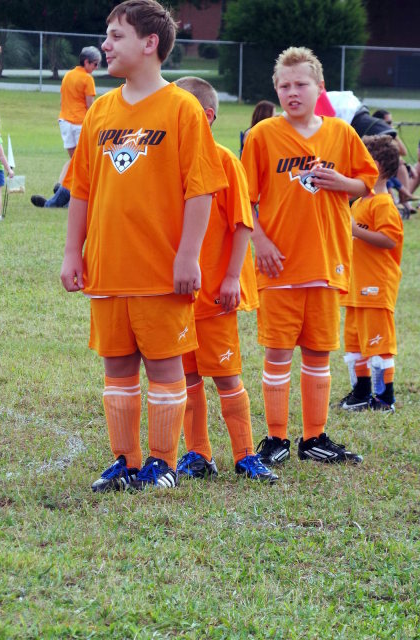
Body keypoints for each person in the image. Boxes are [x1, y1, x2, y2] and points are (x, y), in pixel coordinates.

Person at [60, 0, 228, 492]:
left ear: (150, 43)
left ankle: (162, 462)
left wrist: (188, 255)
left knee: (164, 364)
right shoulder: (101, 111)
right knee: (116, 365)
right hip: (108, 266)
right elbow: (82, 190)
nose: (105, 45)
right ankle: (125, 460)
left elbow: (201, 189)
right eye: (107, 35)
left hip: (161, 269)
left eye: (116, 36)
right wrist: (72, 252)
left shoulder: (182, 108)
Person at [241, 47, 378, 467]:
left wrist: (342, 182)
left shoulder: (341, 133)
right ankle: (276, 438)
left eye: (301, 84)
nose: (292, 92)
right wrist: (261, 241)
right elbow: (244, 200)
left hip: (326, 260)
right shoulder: (263, 135)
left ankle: (314, 437)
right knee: (278, 352)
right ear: (276, 90)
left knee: (318, 353)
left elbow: (366, 183)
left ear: (320, 88)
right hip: (278, 263)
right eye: (284, 85)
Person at [173, 77, 277, 484]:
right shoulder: (167, 164)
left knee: (226, 376)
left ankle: (245, 455)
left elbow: (242, 224)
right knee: (186, 378)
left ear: (207, 116)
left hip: (215, 295)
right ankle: (198, 454)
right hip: (176, 296)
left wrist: (232, 277)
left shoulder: (224, 161)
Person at [338, 135, 403, 413]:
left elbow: (389, 239)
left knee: (378, 342)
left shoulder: (383, 203)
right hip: (356, 286)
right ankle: (361, 392)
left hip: (376, 285)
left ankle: (384, 398)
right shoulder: (360, 202)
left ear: (375, 165)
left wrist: (355, 230)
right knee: (354, 342)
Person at [30, 45, 100, 209]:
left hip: (65, 121)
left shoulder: (68, 75)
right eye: (95, 64)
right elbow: (90, 106)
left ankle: (62, 189)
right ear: (86, 62)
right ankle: (64, 196)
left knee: (74, 161)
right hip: (79, 123)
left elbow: (62, 100)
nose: (96, 68)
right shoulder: (87, 79)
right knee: (81, 163)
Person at [373, 108, 418, 215]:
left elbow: (403, 152)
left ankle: (404, 202)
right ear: (379, 123)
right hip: (378, 169)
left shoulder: (389, 134)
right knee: (390, 172)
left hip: (388, 169)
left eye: (391, 122)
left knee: (401, 166)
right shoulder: (374, 136)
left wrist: (395, 135)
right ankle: (398, 202)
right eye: (388, 123)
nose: (391, 125)